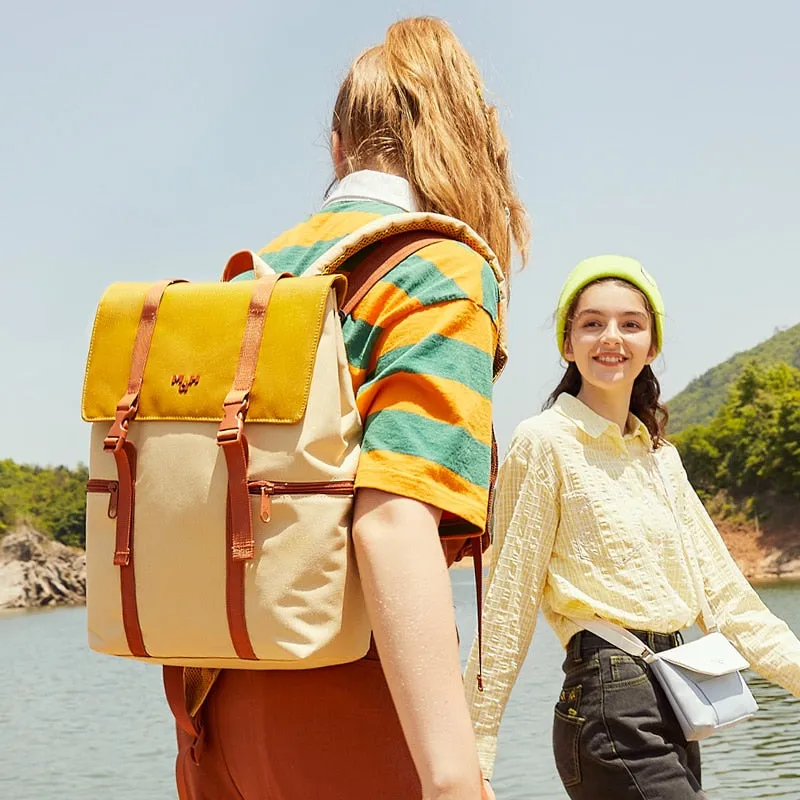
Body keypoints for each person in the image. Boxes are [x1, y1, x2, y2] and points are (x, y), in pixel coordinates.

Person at [168, 17, 529, 800]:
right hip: (350, 704)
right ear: (467, 141)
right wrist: (451, 777)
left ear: (337, 148)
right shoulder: (437, 267)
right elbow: (390, 519)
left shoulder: (257, 276)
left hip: (211, 715)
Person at [464, 255, 800, 799]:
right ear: (567, 345)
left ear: (652, 344)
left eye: (631, 323)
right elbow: (507, 603)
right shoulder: (545, 441)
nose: (611, 338)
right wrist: (472, 753)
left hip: (677, 692)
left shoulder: (659, 457)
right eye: (591, 323)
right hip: (608, 704)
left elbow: (729, 600)